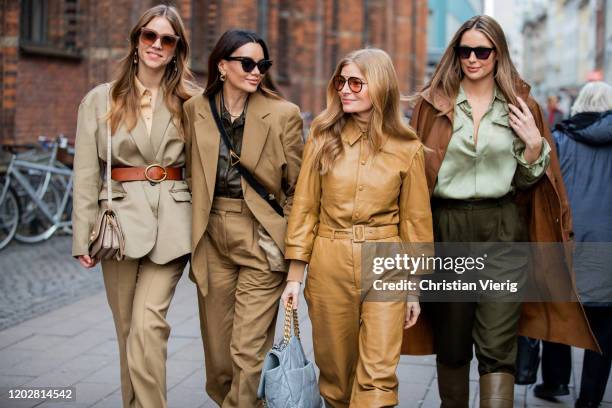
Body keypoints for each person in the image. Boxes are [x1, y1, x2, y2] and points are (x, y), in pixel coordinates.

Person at [408, 15, 599, 407]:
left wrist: (532, 148)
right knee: (453, 343)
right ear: (456, 54)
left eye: (482, 51)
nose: (473, 59)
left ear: (498, 54)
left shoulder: (520, 105)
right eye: (465, 51)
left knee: (498, 345)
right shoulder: (434, 102)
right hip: (447, 229)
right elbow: (413, 177)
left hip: (503, 229)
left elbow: (535, 183)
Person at [281, 48, 433, 407]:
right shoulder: (321, 138)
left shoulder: (407, 147)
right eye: (341, 81)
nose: (345, 90)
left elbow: (415, 221)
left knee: (378, 376)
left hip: (386, 261)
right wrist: (294, 276)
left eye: (355, 82)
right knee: (335, 376)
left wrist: (413, 289)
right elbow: (305, 209)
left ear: (379, 87)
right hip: (329, 260)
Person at [72, 5, 199, 408]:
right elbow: (86, 174)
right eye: (150, 36)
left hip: (174, 225)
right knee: (127, 330)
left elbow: (203, 167)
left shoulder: (191, 103)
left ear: (177, 49)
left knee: (147, 326)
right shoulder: (100, 100)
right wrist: (81, 237)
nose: (156, 45)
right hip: (119, 226)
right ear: (136, 40)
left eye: (167, 39)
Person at [183, 29, 304, 407]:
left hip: (261, 235)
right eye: (247, 63)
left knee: (247, 351)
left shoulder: (284, 114)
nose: (256, 71)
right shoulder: (195, 110)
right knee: (219, 358)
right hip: (211, 233)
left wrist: (294, 255)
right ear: (222, 65)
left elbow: (298, 189)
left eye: (262, 64)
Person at [533, 81, 612, 408]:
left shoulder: (560, 141)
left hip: (566, 240)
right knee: (605, 325)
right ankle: (590, 398)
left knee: (561, 309)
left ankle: (555, 382)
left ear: (577, 104)